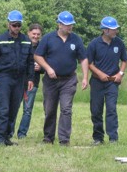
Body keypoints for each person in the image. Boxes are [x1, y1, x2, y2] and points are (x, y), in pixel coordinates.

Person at [34, 11, 89, 146]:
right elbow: (37, 56)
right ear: (59, 24)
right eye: (67, 25)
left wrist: (85, 77)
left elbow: (83, 59)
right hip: (50, 81)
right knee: (50, 109)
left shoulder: (76, 39)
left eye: (71, 25)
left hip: (69, 80)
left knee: (66, 109)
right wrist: (48, 68)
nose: (69, 27)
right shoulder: (48, 38)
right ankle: (48, 138)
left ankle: (64, 139)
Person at [0, 10, 35, 146]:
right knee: (3, 110)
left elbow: (30, 62)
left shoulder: (26, 41)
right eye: (14, 25)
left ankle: (7, 137)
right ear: (8, 24)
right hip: (4, 79)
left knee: (13, 110)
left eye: (19, 25)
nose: (16, 28)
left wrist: (30, 79)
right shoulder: (0, 40)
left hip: (20, 80)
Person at [87, 16, 127, 145]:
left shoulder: (119, 43)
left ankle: (113, 138)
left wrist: (120, 73)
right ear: (105, 30)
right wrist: (99, 74)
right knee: (96, 110)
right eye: (113, 29)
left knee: (111, 109)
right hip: (97, 82)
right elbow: (89, 63)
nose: (116, 31)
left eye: (116, 29)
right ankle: (98, 138)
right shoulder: (94, 44)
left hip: (112, 82)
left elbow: (125, 60)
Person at [16, 24, 44, 140]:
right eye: (34, 33)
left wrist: (40, 67)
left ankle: (22, 134)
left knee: (27, 110)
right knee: (13, 107)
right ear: (28, 33)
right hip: (18, 81)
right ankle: (8, 131)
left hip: (33, 83)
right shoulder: (21, 44)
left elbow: (47, 66)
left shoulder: (42, 48)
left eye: (38, 34)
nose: (36, 36)